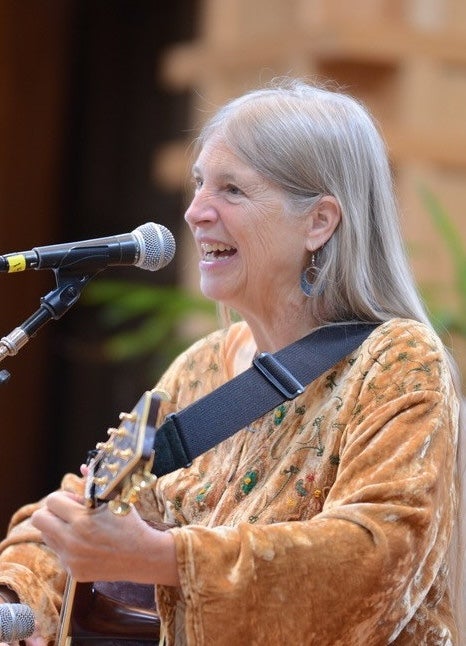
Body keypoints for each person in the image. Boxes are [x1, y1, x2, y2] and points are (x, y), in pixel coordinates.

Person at [0, 76, 463, 645]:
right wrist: (15, 596)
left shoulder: (398, 361)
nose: (195, 212)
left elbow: (378, 557)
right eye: (199, 184)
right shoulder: (201, 367)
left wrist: (165, 558)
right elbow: (85, 504)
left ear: (319, 222)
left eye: (232, 190)